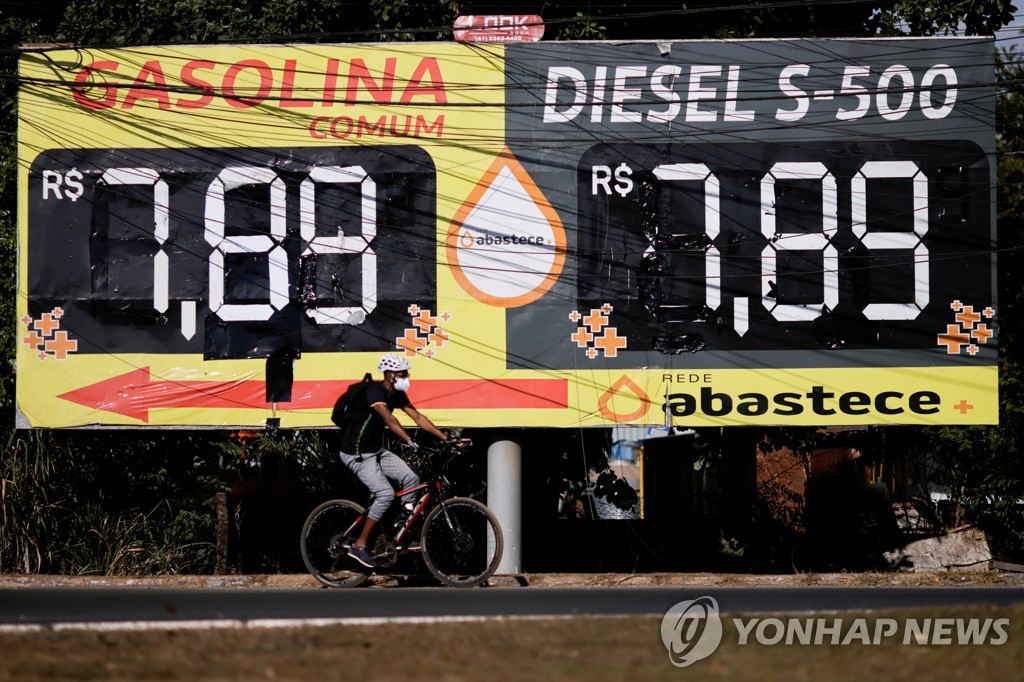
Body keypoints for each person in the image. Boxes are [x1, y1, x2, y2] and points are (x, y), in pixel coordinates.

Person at [339, 353, 447, 568]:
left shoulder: (396, 394)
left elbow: (418, 418)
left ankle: (396, 531)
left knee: (412, 479)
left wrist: (447, 438)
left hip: (376, 451)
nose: (406, 377)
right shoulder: (375, 391)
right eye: (402, 374)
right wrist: (410, 441)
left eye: (406, 373)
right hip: (357, 453)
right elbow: (388, 418)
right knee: (385, 494)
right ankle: (359, 545)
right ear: (389, 375)